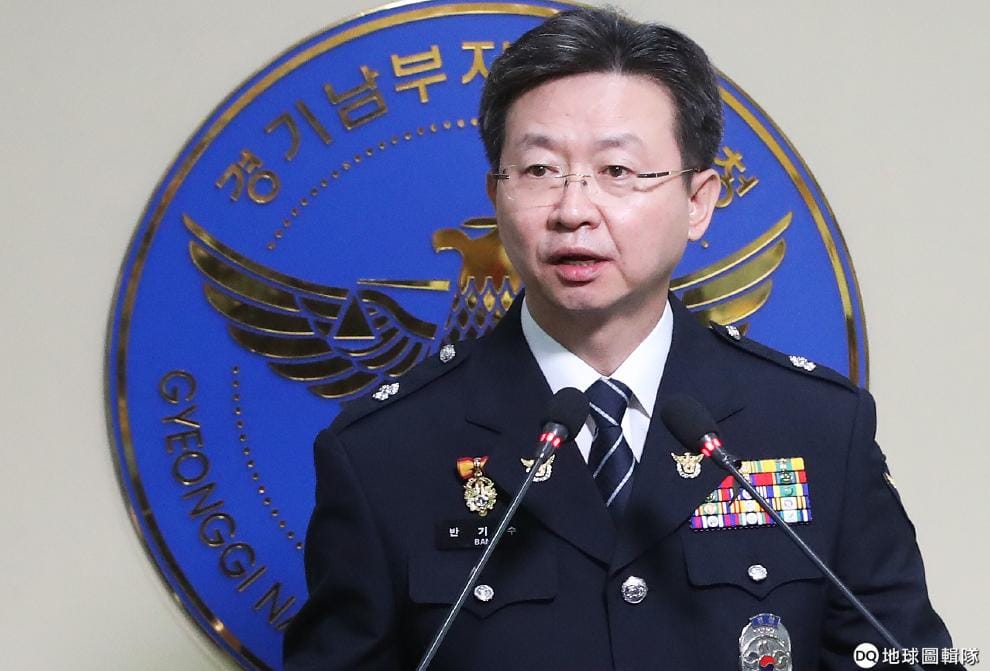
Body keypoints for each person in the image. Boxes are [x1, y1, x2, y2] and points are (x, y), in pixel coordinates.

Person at [284, 7, 958, 670]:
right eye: (540, 170)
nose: (573, 210)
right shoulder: (383, 453)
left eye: (618, 171)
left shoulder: (818, 428)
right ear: (496, 195)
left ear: (698, 202)